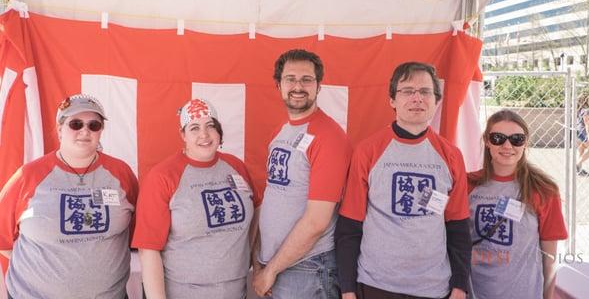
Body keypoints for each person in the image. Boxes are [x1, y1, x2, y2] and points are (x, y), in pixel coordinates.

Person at [336, 61, 471, 299]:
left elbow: (458, 227)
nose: (417, 98)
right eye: (407, 91)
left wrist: (460, 285)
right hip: (376, 284)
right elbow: (350, 226)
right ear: (392, 100)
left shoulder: (451, 155)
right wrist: (347, 289)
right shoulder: (368, 151)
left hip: (434, 287)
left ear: (436, 101)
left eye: (425, 92)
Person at [0, 93, 138, 298]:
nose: (85, 131)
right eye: (75, 124)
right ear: (59, 129)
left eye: (94, 125)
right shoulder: (28, 176)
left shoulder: (121, 173)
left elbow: (137, 231)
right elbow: (3, 239)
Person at [132, 98, 261, 299]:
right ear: (182, 134)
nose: (204, 135)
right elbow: (148, 249)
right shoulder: (162, 177)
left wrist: (251, 259)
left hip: (237, 290)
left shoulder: (236, 166)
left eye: (210, 126)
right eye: (194, 128)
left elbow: (257, 212)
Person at [253, 49, 352, 299]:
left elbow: (317, 221)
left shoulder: (329, 137)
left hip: (309, 268)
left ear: (319, 85)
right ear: (279, 85)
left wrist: (271, 270)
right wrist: (262, 260)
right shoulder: (281, 131)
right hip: (280, 264)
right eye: (290, 79)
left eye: (307, 79)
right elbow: (275, 197)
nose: (298, 86)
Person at [468, 109, 567, 299]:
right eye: (498, 138)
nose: (507, 145)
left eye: (516, 139)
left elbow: (550, 258)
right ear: (487, 141)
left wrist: (548, 296)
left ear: (525, 143)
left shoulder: (543, 190)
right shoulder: (467, 185)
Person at [576, 94, 589, 176]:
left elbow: (586, 118)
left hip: (577, 132)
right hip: (583, 133)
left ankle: (579, 170)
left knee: (581, 151)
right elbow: (587, 124)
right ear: (585, 101)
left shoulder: (578, 110)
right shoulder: (585, 111)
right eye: (588, 99)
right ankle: (577, 164)